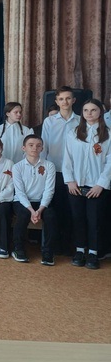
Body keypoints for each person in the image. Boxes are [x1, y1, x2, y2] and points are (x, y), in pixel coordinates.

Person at [63, 99, 111, 270]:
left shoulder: (108, 134)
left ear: (100, 112)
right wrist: (70, 180)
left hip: (96, 186)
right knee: (78, 219)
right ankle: (79, 251)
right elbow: (67, 158)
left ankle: (93, 253)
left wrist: (101, 184)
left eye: (93, 110)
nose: (89, 113)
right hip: (75, 185)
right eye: (86, 110)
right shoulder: (74, 132)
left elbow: (110, 162)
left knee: (94, 220)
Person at [41, 86, 80, 256]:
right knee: (55, 209)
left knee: (71, 210)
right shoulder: (49, 121)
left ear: (74, 100)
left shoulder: (80, 121)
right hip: (54, 170)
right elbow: (44, 146)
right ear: (57, 101)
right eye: (61, 99)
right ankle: (53, 246)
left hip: (74, 173)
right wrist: (43, 168)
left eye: (68, 98)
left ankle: (69, 245)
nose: (65, 102)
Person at [12, 135, 56, 265]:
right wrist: (31, 210)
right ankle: (19, 249)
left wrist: (40, 209)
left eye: (38, 145)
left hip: (42, 201)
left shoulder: (49, 166)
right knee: (23, 214)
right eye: (31, 145)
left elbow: (49, 190)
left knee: (51, 216)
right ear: (24, 148)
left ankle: (48, 252)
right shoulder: (17, 167)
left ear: (42, 148)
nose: (34, 148)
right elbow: (20, 192)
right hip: (22, 201)